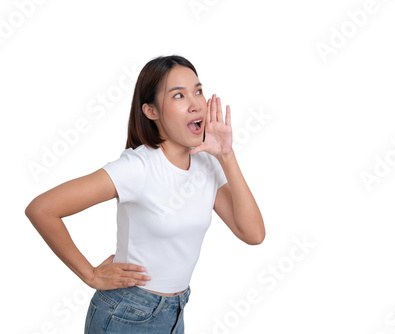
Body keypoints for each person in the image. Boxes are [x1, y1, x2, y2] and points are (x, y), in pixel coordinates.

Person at [25, 55, 265, 333]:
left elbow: (253, 234)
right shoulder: (137, 167)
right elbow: (42, 209)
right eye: (179, 95)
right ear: (151, 111)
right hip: (127, 314)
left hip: (175, 312)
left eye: (198, 91)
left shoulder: (207, 164)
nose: (195, 103)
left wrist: (227, 155)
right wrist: (89, 274)